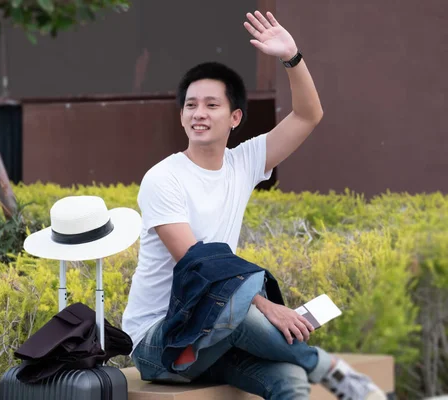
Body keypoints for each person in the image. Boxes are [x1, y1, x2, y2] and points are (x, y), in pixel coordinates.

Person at [121, 10, 386, 400]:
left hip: (215, 336)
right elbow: (200, 265)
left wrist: (292, 58)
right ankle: (329, 368)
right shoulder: (164, 178)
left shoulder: (243, 163)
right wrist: (265, 306)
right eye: (191, 105)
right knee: (234, 302)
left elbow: (309, 115)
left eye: (211, 105)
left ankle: (313, 368)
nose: (199, 113)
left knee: (288, 379)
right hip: (161, 342)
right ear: (181, 116)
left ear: (235, 117)